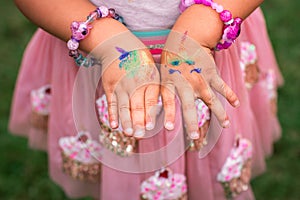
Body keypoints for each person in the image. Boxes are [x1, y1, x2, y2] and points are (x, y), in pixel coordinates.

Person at [9, 0, 283, 199]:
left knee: (209, 170)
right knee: (119, 173)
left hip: (202, 58)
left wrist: (206, 22)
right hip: (99, 58)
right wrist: (103, 37)